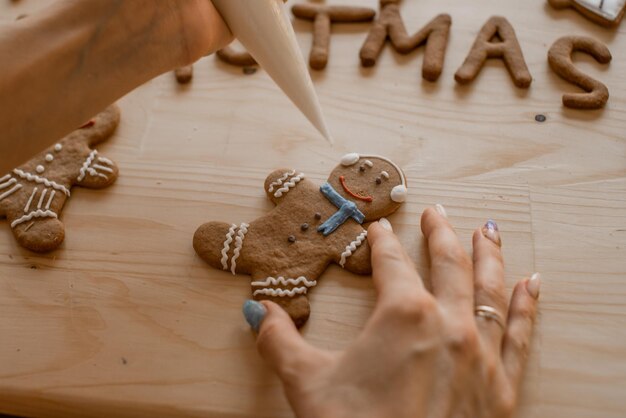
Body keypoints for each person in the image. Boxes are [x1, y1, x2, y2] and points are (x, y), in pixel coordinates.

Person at [0, 2, 540, 417]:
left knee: (289, 287)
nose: (364, 182)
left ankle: (279, 287)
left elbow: (353, 254)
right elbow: (284, 185)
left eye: (375, 182)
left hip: (295, 269)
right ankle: (238, 249)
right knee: (232, 239)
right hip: (251, 236)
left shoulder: (352, 227)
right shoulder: (313, 194)